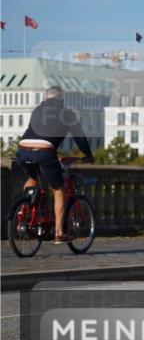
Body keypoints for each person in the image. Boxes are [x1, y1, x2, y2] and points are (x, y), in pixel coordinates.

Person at [15, 86, 95, 242]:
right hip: (44, 151)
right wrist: (89, 155)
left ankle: (23, 212)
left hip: (23, 148)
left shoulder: (37, 110)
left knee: (32, 178)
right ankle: (58, 233)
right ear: (61, 100)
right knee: (58, 190)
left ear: (45, 98)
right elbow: (80, 137)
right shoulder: (67, 113)